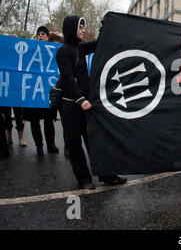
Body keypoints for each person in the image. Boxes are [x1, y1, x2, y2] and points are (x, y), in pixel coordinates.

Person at [56, 15, 127, 190]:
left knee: (95, 141)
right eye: (80, 28)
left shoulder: (79, 48)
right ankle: (84, 180)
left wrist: (105, 23)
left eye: (83, 27)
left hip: (85, 104)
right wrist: (80, 99)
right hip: (70, 105)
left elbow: (99, 44)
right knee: (74, 145)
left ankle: (107, 176)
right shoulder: (63, 51)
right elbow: (69, 78)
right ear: (71, 29)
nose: (82, 31)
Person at [23, 26, 59, 155]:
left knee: (48, 120)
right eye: (38, 34)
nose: (40, 36)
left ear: (47, 37)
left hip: (47, 93)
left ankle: (51, 144)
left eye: (43, 34)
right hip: (34, 92)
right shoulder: (31, 51)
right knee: (34, 121)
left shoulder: (52, 52)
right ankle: (39, 145)